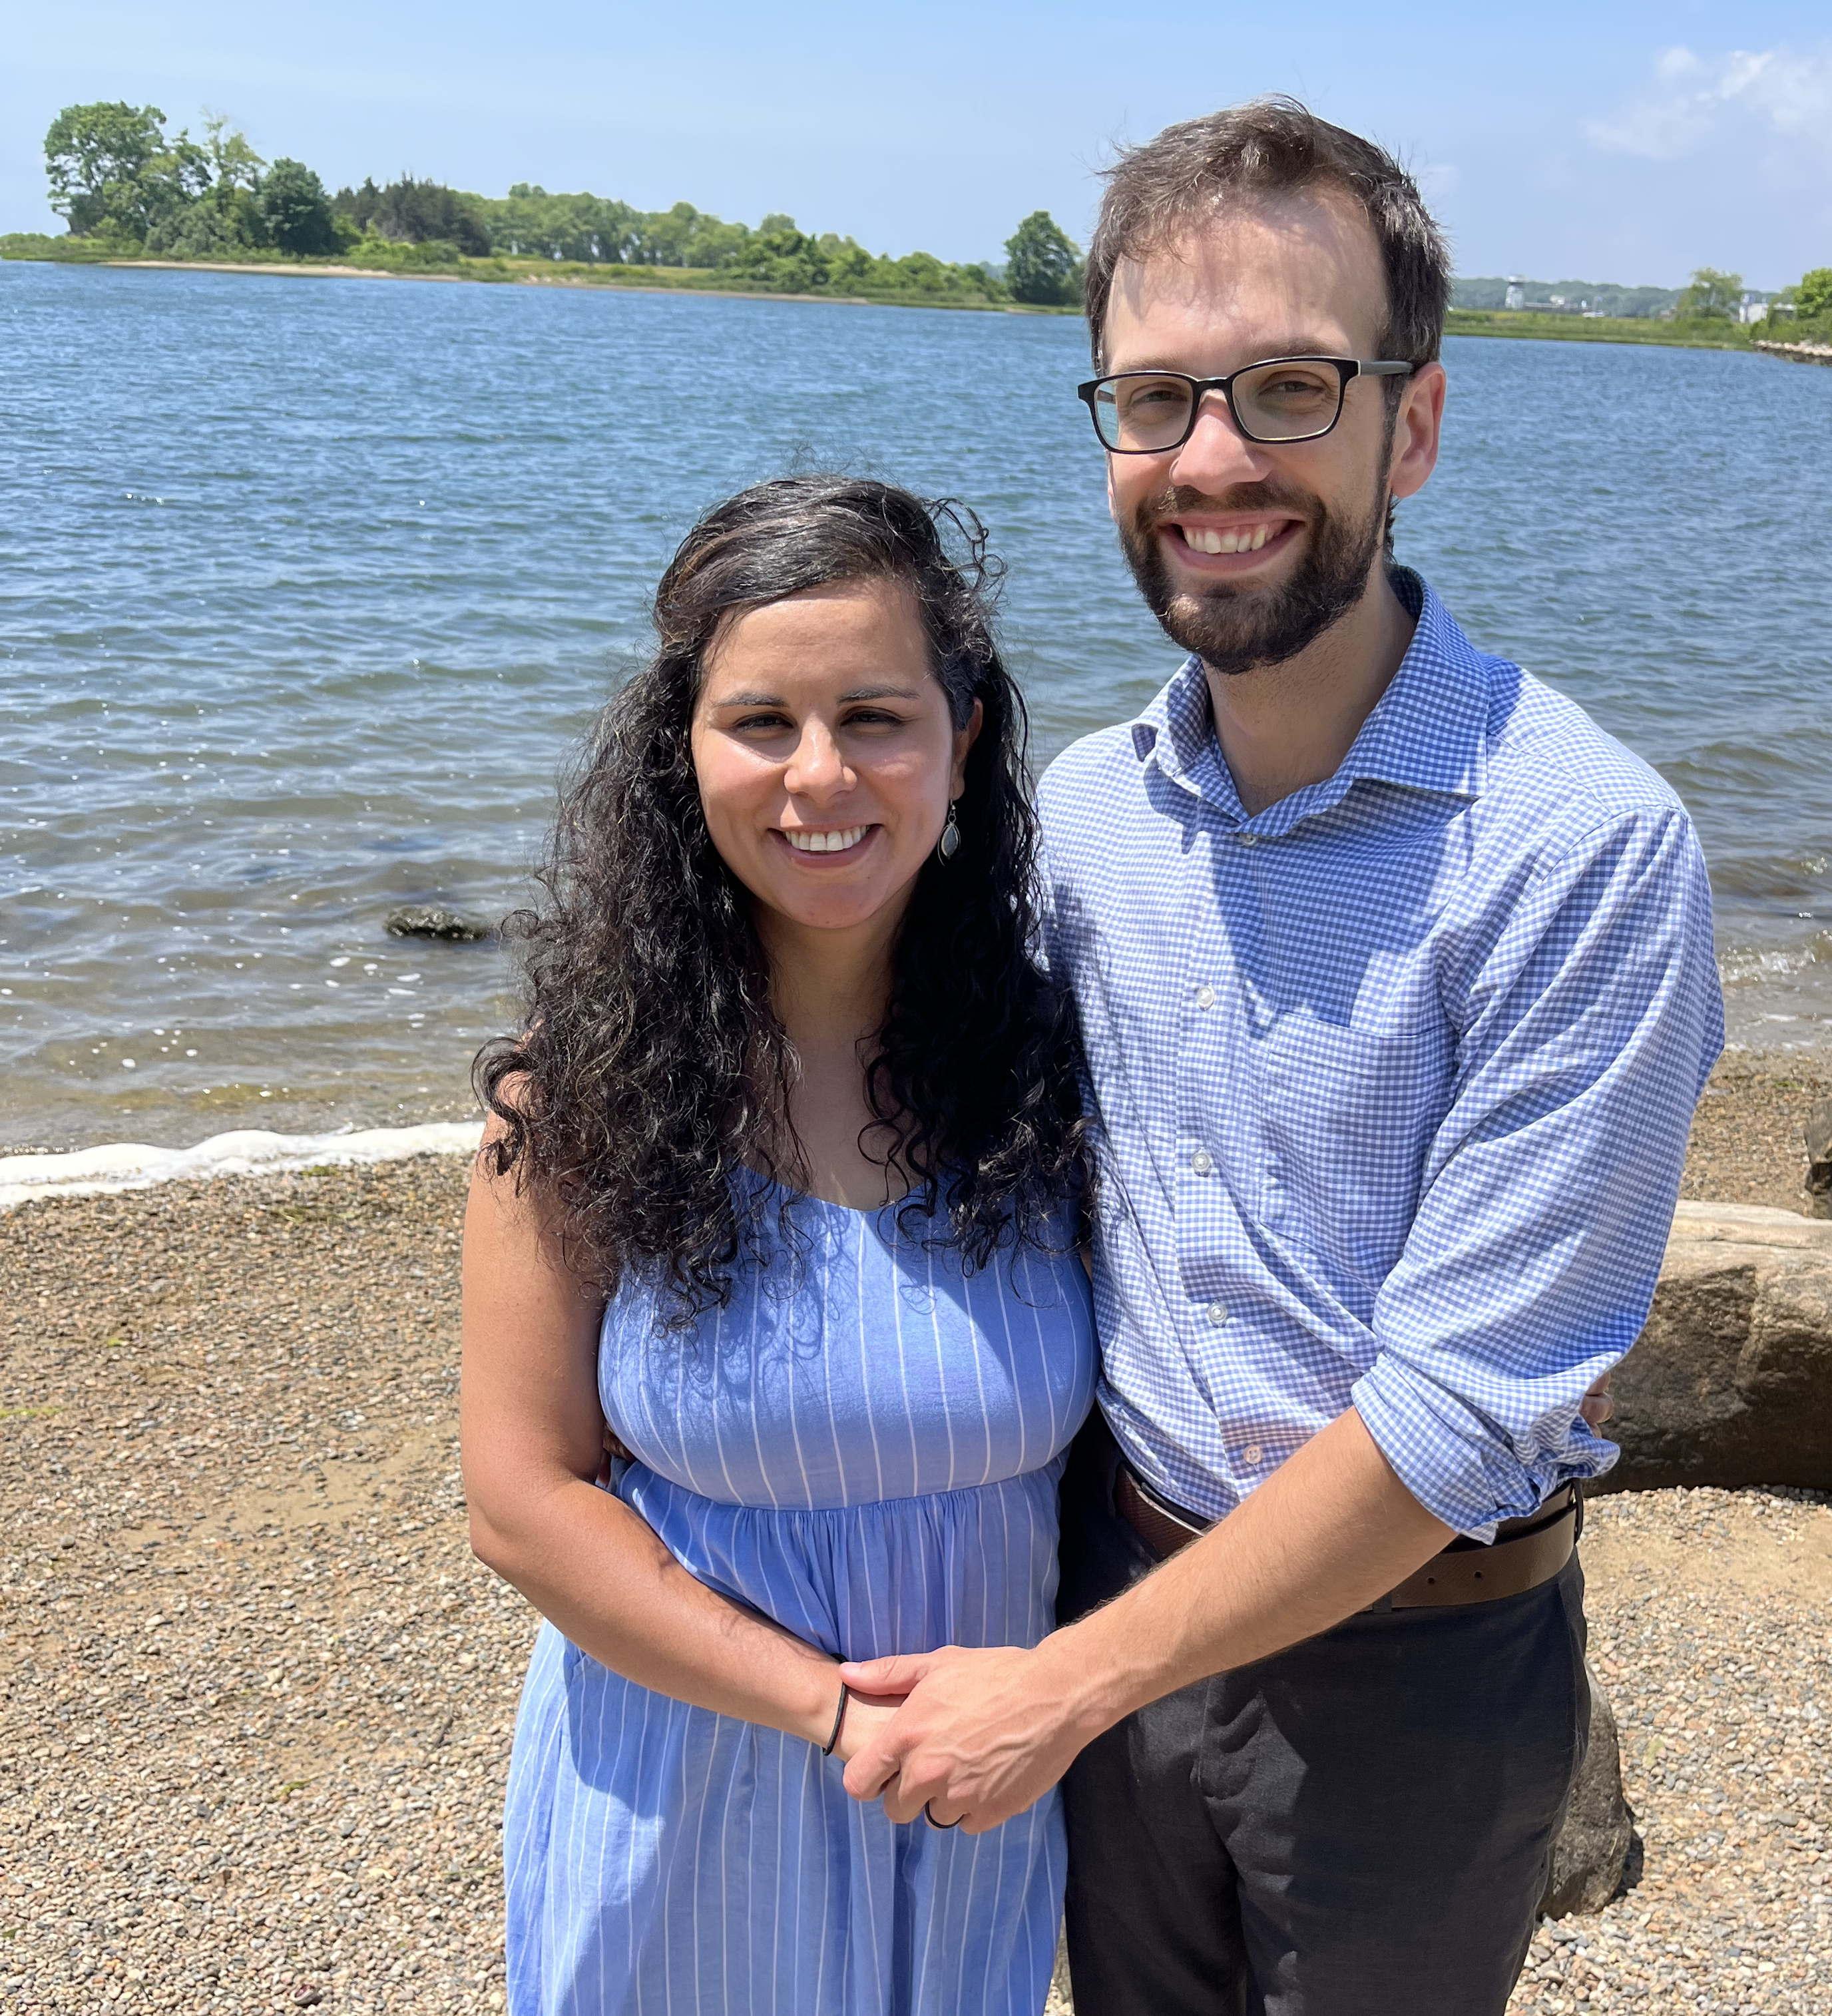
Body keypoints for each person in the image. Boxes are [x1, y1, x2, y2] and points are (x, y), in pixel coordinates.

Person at [837, 100, 1725, 2013]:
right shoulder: (1088, 813)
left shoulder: (1581, 847)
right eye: (1156, 398)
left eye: (1290, 387)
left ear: (1415, 423)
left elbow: (1461, 1406)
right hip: (1108, 1558)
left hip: (1414, 1667)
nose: (1213, 458)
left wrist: (1061, 1688)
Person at [459, 475, 1096, 2015]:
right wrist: (831, 1711)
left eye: (876, 716)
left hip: (976, 1806)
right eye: (761, 721)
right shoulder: (581, 1095)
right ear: (682, 751)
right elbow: (522, 1502)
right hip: (688, 1806)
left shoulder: (1050, 1073)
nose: (821, 774)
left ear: (965, 739)